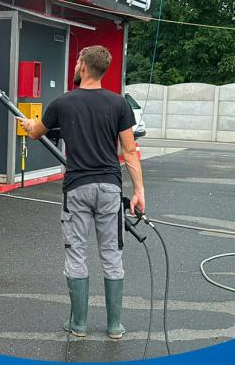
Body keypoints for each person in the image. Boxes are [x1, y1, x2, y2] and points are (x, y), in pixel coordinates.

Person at [17, 45, 145, 339]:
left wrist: (29, 124)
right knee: (111, 253)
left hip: (77, 188)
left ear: (84, 66)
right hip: (110, 188)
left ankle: (79, 324)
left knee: (76, 252)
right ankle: (114, 326)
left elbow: (36, 132)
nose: (75, 65)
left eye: (77, 61)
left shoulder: (63, 102)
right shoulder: (119, 104)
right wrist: (139, 191)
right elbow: (129, 152)